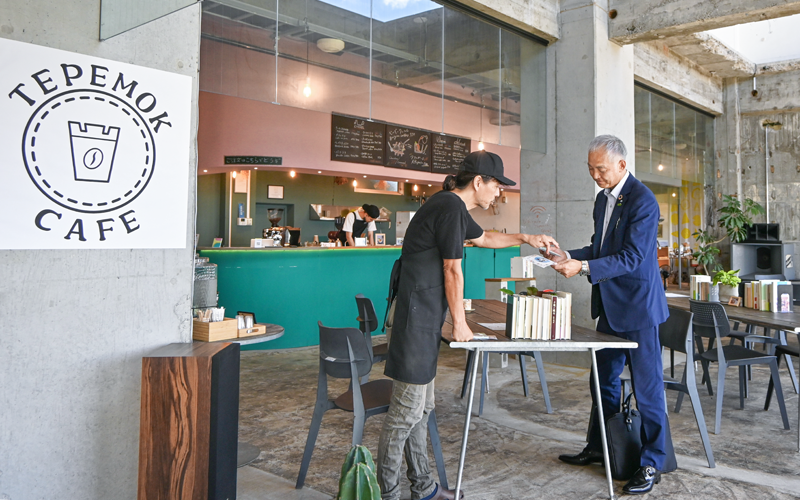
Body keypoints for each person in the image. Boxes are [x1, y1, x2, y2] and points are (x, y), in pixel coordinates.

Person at [377, 150, 559, 500]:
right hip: (414, 319)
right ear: (478, 182)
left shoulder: (453, 209)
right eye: (496, 185)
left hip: (424, 317)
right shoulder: (448, 207)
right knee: (404, 413)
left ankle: (424, 488)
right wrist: (460, 322)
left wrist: (526, 238)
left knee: (421, 409)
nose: (499, 193)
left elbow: (484, 238)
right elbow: (452, 268)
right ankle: (386, 492)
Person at [546, 135, 669, 495]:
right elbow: (600, 247)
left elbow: (632, 257)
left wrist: (582, 266)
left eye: (601, 169)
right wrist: (565, 254)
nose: (595, 176)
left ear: (621, 165)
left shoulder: (644, 201)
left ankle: (652, 462)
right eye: (590, 169)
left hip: (640, 309)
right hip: (611, 308)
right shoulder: (602, 200)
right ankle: (601, 447)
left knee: (648, 391)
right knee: (602, 383)